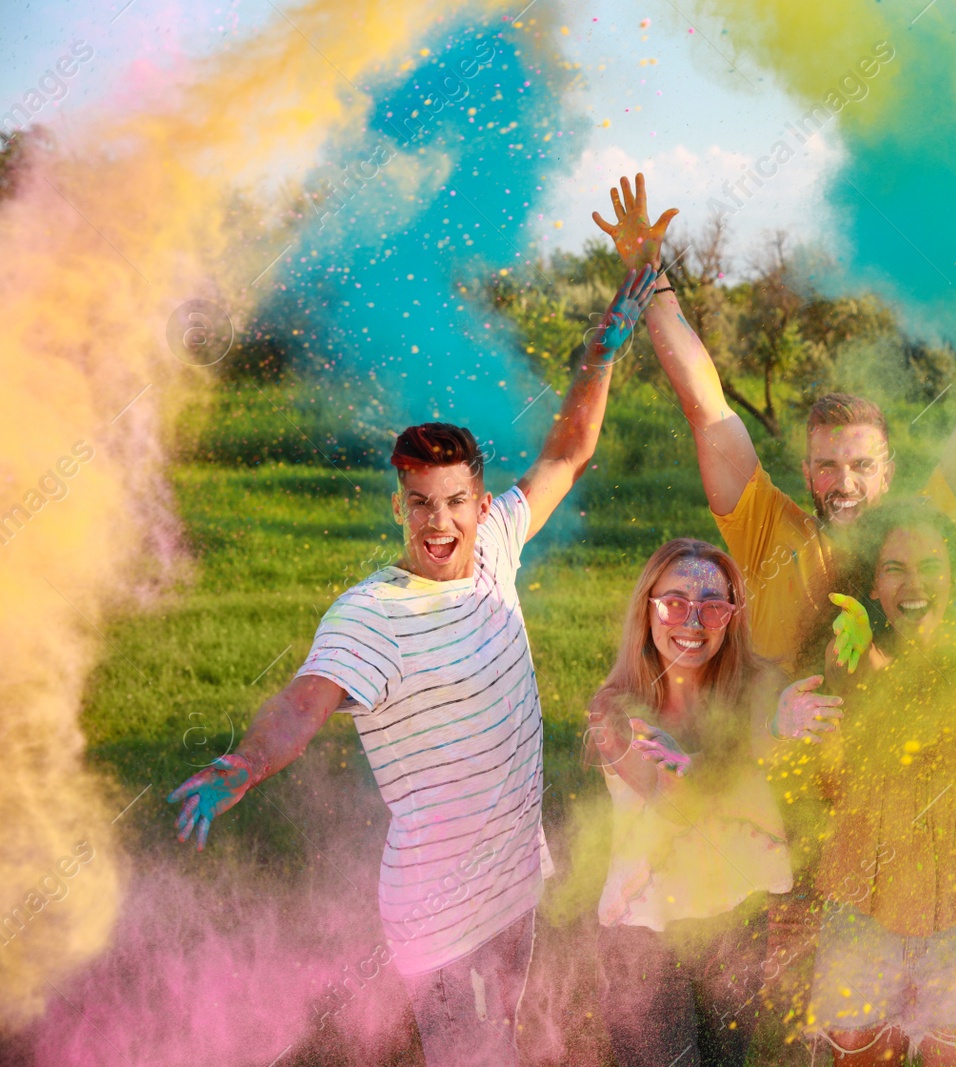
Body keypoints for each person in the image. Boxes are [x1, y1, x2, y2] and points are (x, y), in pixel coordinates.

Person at [592, 173, 956, 1064]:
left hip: (940, 829)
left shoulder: (925, 528)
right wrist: (654, 281)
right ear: (808, 467)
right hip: (808, 839)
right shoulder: (768, 530)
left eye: (861, 465)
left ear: (890, 468)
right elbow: (707, 402)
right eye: (827, 465)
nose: (844, 484)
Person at [167, 267, 661, 1066]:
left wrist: (599, 358)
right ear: (399, 506)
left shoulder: (497, 544)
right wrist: (245, 763)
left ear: (478, 500)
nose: (441, 523)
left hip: (515, 877)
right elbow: (304, 702)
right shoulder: (371, 614)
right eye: (422, 503)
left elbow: (569, 452)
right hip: (439, 909)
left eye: (455, 502)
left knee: (503, 1033)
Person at [584, 538, 842, 1067]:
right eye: (674, 602)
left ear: (732, 616)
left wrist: (790, 719)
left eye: (713, 605)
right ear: (647, 609)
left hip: (734, 914)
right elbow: (676, 804)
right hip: (645, 932)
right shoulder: (612, 712)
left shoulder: (755, 684)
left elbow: (781, 728)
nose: (693, 622)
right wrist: (764, 735)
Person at [802, 501, 956, 1066]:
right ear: (872, 585)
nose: (914, 583)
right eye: (894, 568)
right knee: (861, 1055)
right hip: (864, 902)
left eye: (929, 566)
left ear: (954, 577)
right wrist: (851, 662)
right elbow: (834, 773)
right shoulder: (850, 654)